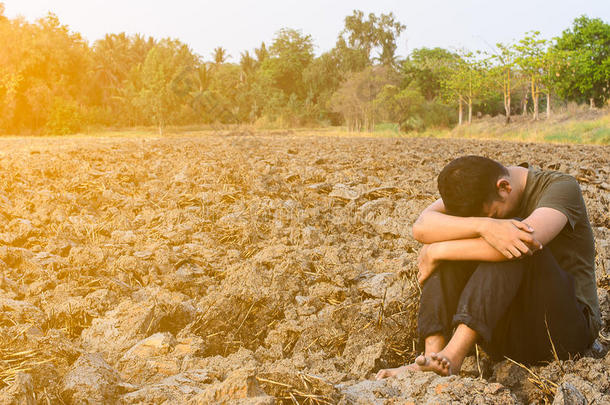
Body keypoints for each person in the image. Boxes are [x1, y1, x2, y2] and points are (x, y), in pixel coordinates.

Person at [376, 155, 600, 378]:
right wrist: (485, 225)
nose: (490, 222)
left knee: (515, 242)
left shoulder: (561, 187)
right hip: (506, 332)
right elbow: (422, 226)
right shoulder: (478, 187)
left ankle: (454, 354)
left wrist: (436, 250)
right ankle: (432, 357)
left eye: (491, 214)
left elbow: (526, 243)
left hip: (565, 334)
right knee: (474, 240)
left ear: (504, 187)